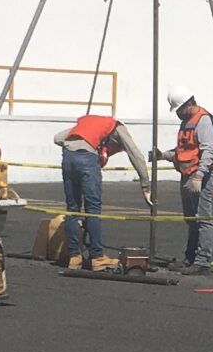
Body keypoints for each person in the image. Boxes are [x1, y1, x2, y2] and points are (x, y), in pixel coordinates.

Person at [52, 110, 144, 269]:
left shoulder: (90, 123)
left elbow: (58, 138)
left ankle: (74, 257)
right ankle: (97, 257)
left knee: (72, 209)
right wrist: (145, 182)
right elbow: (135, 154)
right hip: (87, 159)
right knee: (93, 209)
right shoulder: (117, 127)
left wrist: (80, 147)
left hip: (68, 157)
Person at [152, 92, 213, 270]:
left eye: (178, 110)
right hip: (187, 175)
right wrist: (163, 155)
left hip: (200, 177)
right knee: (191, 218)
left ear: (188, 105)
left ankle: (202, 261)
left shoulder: (203, 120)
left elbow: (208, 151)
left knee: (203, 218)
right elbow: (183, 150)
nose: (177, 114)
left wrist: (199, 175)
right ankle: (190, 257)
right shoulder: (187, 122)